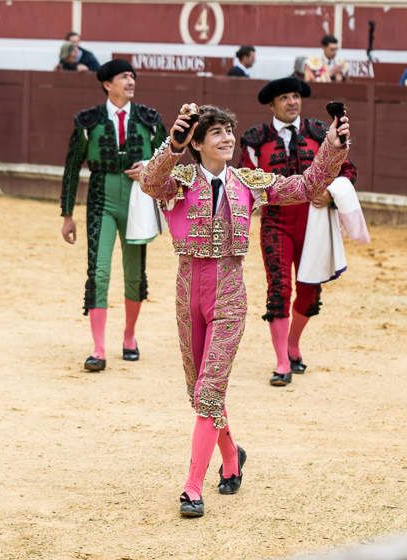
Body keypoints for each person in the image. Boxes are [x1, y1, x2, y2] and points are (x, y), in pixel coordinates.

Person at [139, 104, 351, 517]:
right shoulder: (179, 179)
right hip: (188, 292)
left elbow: (306, 186)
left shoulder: (248, 183)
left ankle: (192, 489)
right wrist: (173, 145)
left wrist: (333, 145)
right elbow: (150, 181)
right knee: (198, 390)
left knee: (209, 390)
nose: (227, 139)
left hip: (230, 296)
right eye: (216, 133)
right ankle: (232, 456)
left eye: (229, 132)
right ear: (198, 143)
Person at [239, 77, 360, 386]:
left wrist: (331, 193)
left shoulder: (321, 133)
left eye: (296, 96)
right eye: (284, 98)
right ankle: (282, 362)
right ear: (272, 104)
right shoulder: (255, 140)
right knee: (278, 290)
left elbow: (347, 170)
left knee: (309, 292)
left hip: (315, 221)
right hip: (276, 222)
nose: (292, 102)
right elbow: (246, 178)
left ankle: (292, 344)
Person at [59, 60, 166, 372]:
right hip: (100, 198)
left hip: (137, 200)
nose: (131, 81)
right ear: (108, 84)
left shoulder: (150, 119)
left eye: (133, 76)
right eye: (124, 76)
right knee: (100, 271)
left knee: (134, 273)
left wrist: (149, 167)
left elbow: (167, 158)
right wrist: (67, 214)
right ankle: (98, 348)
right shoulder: (88, 121)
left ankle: (129, 336)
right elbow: (71, 168)